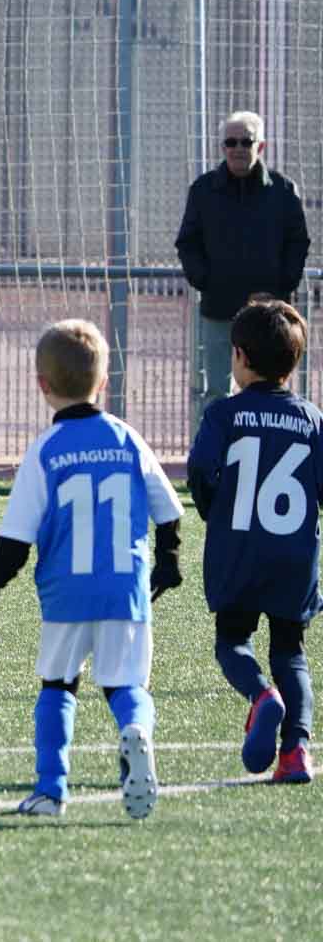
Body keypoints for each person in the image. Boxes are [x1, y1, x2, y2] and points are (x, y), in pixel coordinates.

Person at [0, 319, 184, 818]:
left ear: (42, 385)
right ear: (103, 382)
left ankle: (50, 789)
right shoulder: (128, 438)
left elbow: (14, 541)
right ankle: (136, 731)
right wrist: (169, 563)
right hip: (124, 589)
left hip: (66, 595)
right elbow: (170, 510)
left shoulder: (45, 451)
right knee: (127, 686)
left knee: (58, 685)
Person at [186, 299, 318, 783]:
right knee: (291, 651)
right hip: (293, 556)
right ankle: (297, 751)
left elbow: (201, 471)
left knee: (233, 641)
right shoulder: (311, 419)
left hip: (239, 551)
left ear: (239, 356)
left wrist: (216, 514)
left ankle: (262, 696)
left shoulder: (224, 414)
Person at [175, 110, 309, 419]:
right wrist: (206, 280)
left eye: (246, 141)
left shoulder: (283, 191)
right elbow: (188, 243)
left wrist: (281, 287)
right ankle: (213, 459)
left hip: (271, 316)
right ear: (222, 147)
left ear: (260, 146)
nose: (237, 148)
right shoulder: (204, 190)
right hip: (219, 308)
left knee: (274, 389)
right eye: (230, 142)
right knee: (216, 392)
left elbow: (298, 242)